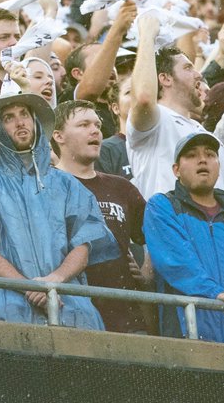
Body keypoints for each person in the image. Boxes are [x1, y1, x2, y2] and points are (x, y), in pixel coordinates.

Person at [0, 86, 117, 329]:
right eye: (8, 118)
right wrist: (29, 288)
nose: (20, 123)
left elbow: (83, 247)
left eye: (24, 114)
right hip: (8, 308)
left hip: (70, 307)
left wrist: (53, 282)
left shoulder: (67, 184)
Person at [143, 132, 224, 346]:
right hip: (188, 342)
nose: (203, 159)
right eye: (192, 155)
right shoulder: (162, 206)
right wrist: (217, 294)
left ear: (219, 165)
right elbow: (177, 264)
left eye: (210, 154)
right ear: (176, 170)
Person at [52, 100, 151, 334]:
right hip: (72, 312)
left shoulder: (121, 187)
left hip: (125, 313)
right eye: (84, 124)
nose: (95, 130)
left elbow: (156, 232)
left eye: (97, 124)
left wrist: (148, 270)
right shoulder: (47, 186)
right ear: (58, 136)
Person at [128, 12, 224, 200]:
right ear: (165, 78)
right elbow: (144, 98)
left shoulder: (211, 139)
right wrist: (147, 35)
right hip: (170, 227)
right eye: (188, 68)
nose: (199, 75)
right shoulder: (156, 121)